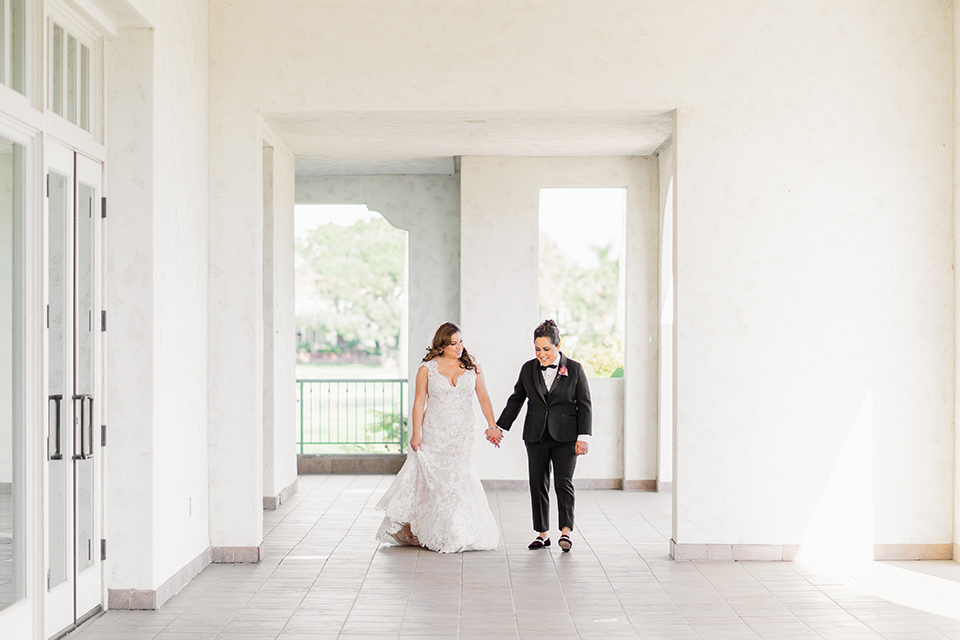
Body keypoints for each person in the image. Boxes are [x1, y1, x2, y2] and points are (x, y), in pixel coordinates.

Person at [376, 322, 500, 553]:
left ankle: (457, 530)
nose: (459, 347)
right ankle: (436, 529)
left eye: (460, 341)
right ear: (442, 346)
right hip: (435, 433)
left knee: (458, 479)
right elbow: (418, 403)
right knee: (437, 482)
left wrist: (492, 425)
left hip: (462, 434)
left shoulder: (473, 367)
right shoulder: (427, 369)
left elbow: (483, 397)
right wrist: (415, 433)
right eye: (454, 343)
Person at [488, 319, 591, 552]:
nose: (541, 355)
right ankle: (542, 534)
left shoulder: (574, 369)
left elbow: (585, 405)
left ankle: (566, 532)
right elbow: (516, 400)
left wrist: (583, 437)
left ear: (558, 345)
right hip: (535, 436)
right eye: (537, 349)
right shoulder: (528, 369)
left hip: (566, 437)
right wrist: (500, 427)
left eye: (546, 349)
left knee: (563, 484)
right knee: (538, 484)